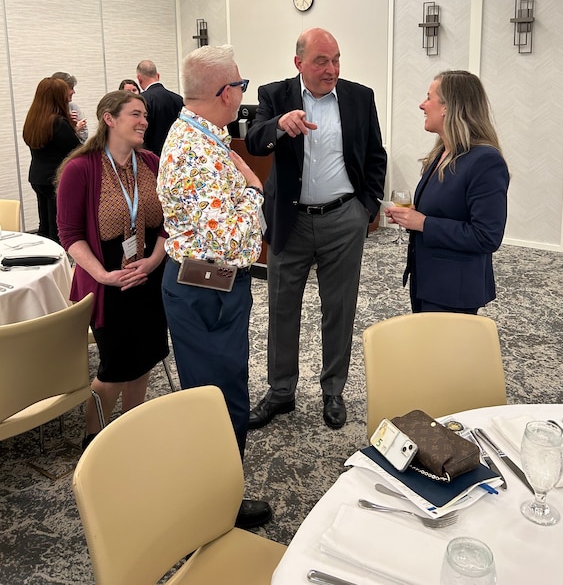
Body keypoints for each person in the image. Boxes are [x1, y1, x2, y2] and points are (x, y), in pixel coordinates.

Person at [246, 27, 387, 431]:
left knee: (339, 308)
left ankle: (333, 391)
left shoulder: (360, 97)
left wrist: (367, 207)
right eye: (322, 61)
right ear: (299, 63)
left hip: (344, 219)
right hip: (291, 220)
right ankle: (280, 391)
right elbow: (254, 141)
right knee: (281, 306)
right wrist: (278, 124)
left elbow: (375, 154)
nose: (332, 69)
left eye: (337, 59)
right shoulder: (276, 95)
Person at [157, 45, 272, 530]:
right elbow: (236, 242)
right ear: (226, 93)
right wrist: (252, 188)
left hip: (204, 284)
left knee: (220, 394)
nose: (243, 92)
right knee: (221, 402)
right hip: (208, 287)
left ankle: (215, 493)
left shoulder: (203, 136)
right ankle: (214, 507)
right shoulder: (199, 151)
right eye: (241, 85)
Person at [56, 90, 169, 449]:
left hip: (150, 279)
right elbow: (70, 235)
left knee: (146, 359)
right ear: (109, 119)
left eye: (145, 116)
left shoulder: (150, 162)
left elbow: (168, 224)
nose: (144, 122)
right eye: (136, 114)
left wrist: (153, 261)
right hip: (108, 285)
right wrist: (103, 275)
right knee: (114, 369)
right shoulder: (80, 168)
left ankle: (131, 433)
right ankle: (96, 440)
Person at [385, 70, 510, 313]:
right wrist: (412, 216)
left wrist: (424, 223)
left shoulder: (485, 161)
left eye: (429, 97)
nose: (422, 105)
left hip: (454, 289)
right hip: (428, 279)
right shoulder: (442, 152)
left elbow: (487, 236)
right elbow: (445, 211)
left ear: (448, 107)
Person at [22, 77, 81, 243]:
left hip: (37, 177)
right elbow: (76, 150)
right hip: (55, 179)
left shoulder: (33, 120)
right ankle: (58, 261)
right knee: (57, 227)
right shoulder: (58, 122)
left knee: (45, 225)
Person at [136, 60, 184, 155]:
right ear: (158, 76)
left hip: (150, 157)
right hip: (175, 155)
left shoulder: (141, 101)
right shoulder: (178, 99)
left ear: (139, 79)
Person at [51, 71, 88, 142]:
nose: (74, 92)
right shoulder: (48, 112)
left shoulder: (73, 107)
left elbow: (84, 136)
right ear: (61, 90)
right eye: (71, 88)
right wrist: (75, 128)